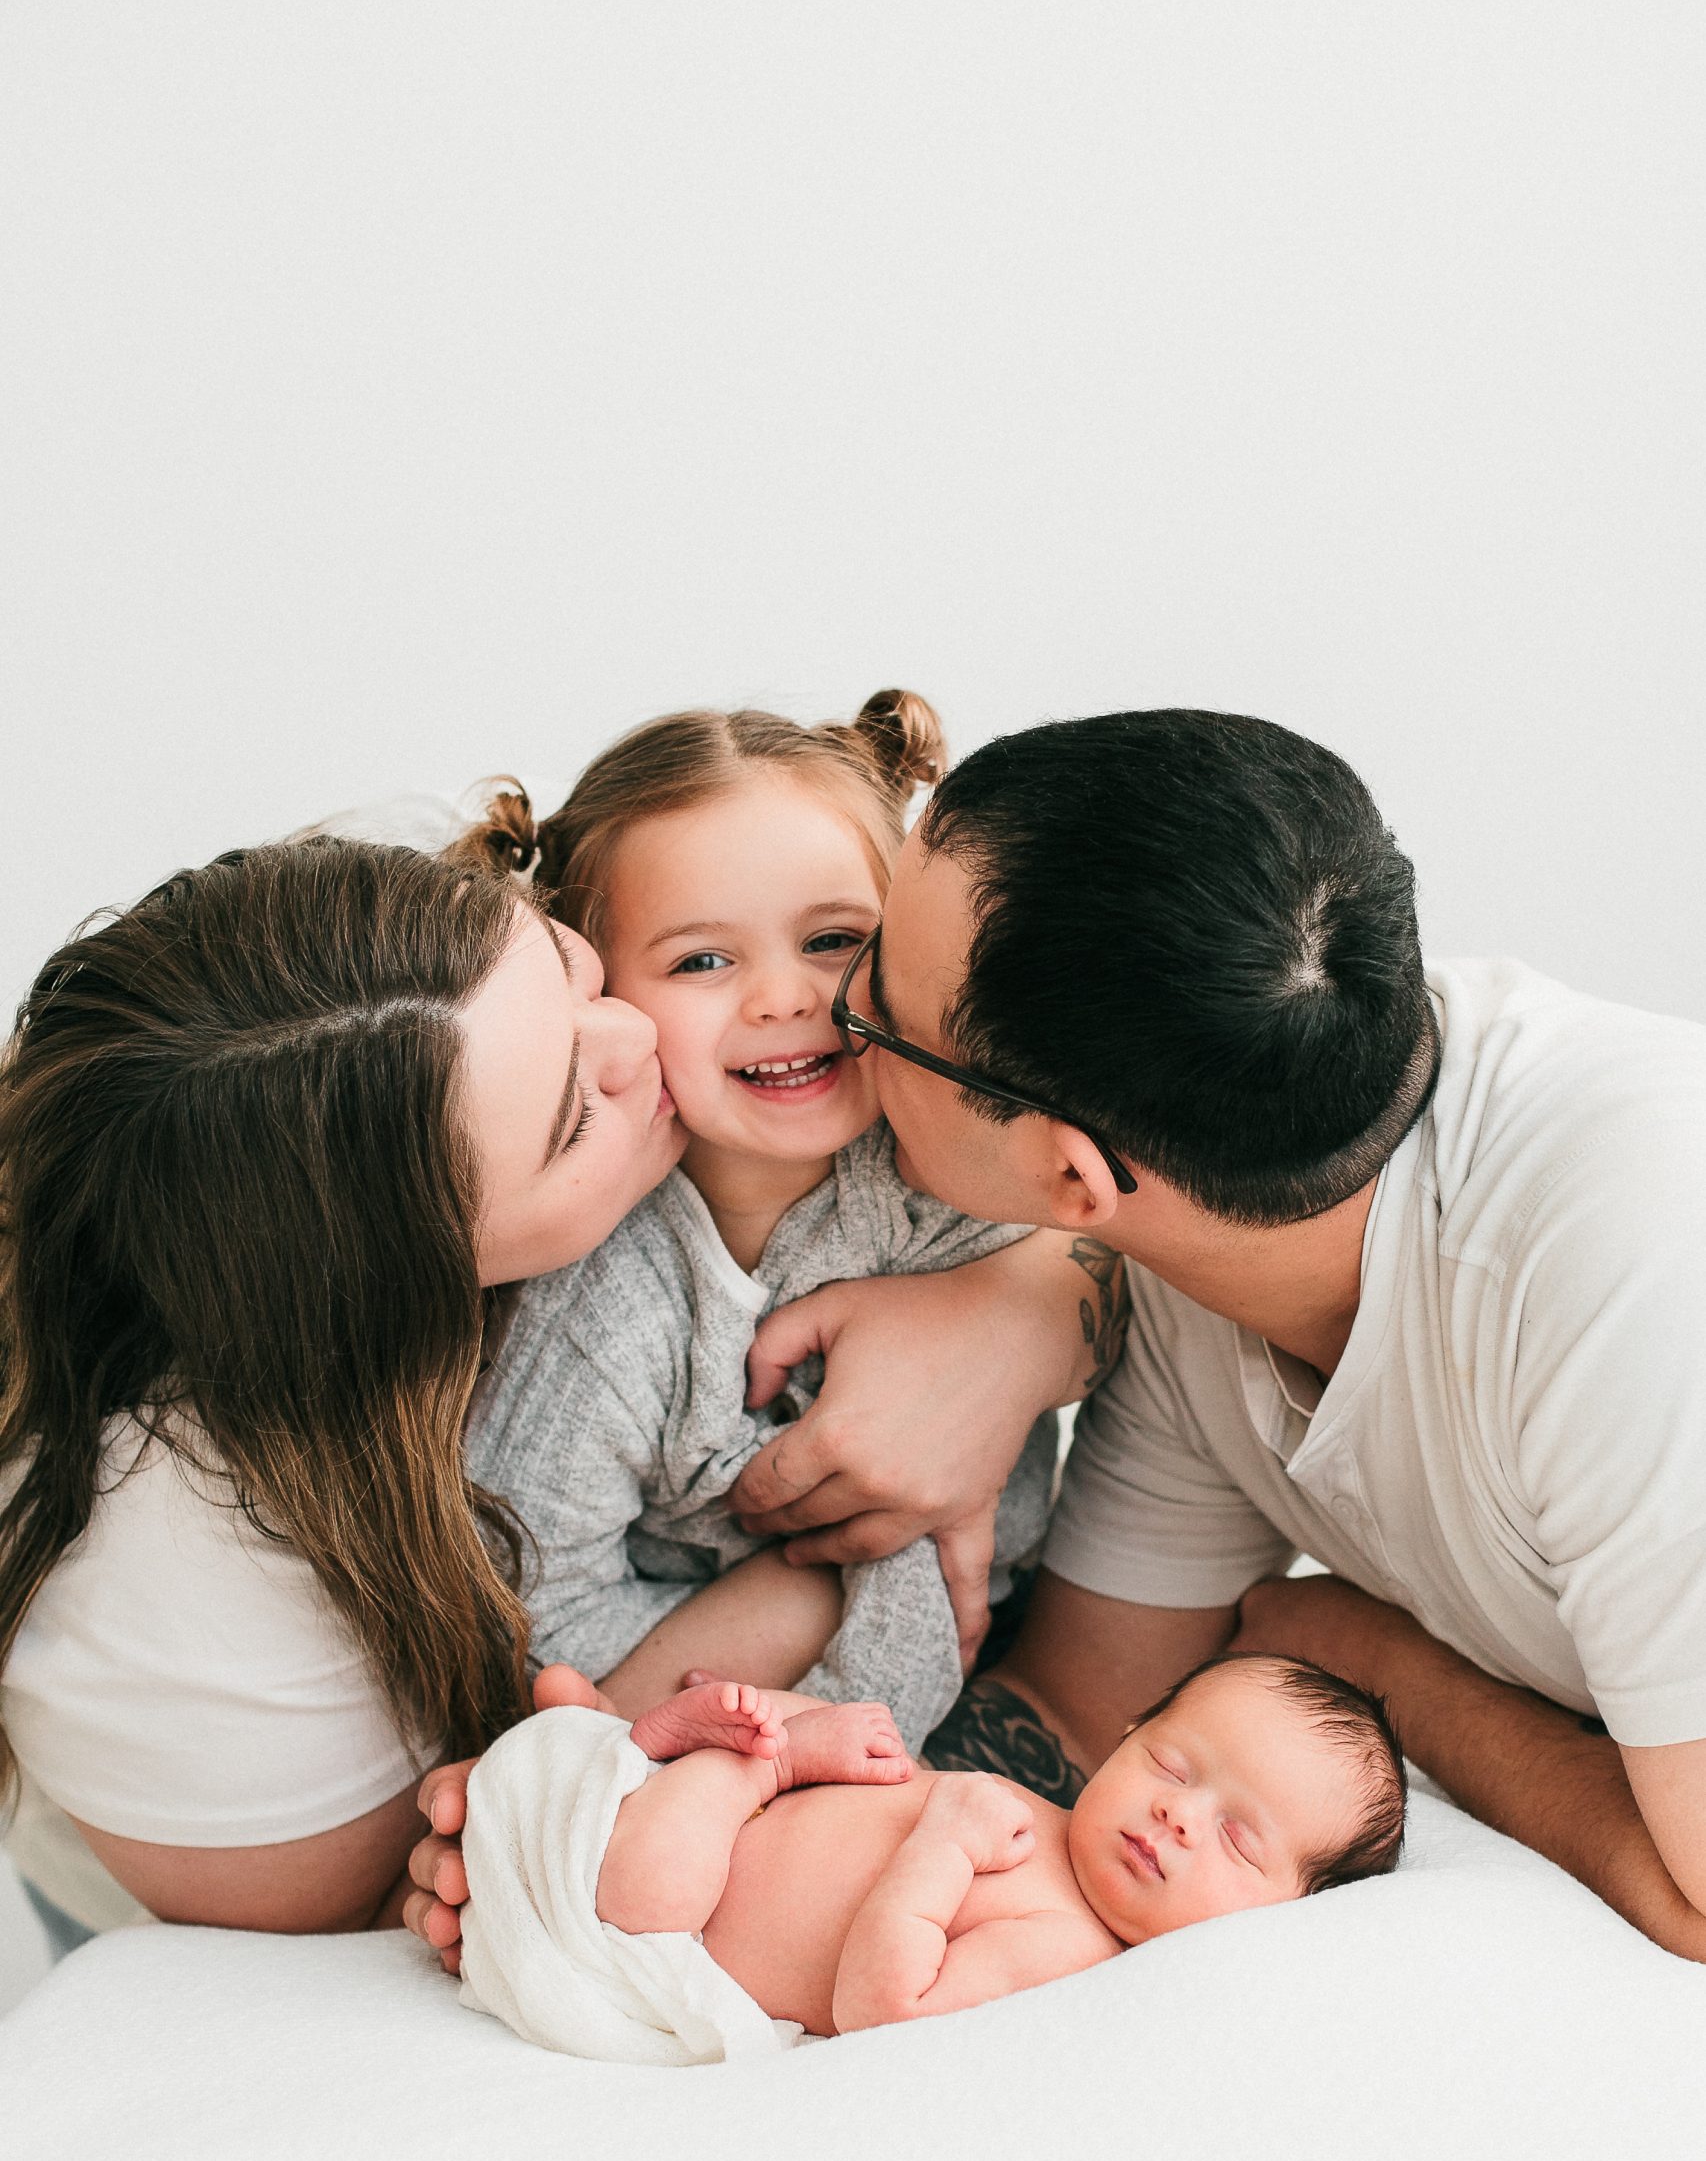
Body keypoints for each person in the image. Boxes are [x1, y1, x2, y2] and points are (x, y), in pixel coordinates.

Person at [0, 830, 1109, 1953]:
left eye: (572, 967)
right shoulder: (161, 1585)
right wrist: (860, 1554)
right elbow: (413, 1912)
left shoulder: (419, 978)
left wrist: (1019, 1318)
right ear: (408, 1294)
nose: (636, 1035)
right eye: (574, 1117)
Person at [717, 708, 1706, 1963]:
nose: (825, 1004)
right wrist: (649, 1824)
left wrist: (1367, 1654)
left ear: (1072, 1176)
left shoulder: (1632, 1272)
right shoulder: (1218, 1204)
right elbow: (1076, 1713)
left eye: (870, 995)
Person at [455, 690, 1057, 1751]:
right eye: (701, 959)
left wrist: (1033, 1322)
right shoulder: (603, 1307)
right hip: (729, 1725)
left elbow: (1154, 1308)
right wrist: (828, 1598)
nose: (784, 996)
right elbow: (540, 1632)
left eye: (833, 938)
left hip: (1025, 1655)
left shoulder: (970, 1172)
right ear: (599, 998)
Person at [451, 1649, 1406, 2058]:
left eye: (1238, 1838)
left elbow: (887, 2007)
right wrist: (880, 1766)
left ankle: (694, 1757)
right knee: (829, 1735)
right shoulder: (1056, 1823)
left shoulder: (1069, 1949)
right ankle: (633, 1744)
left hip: (674, 1922)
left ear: (1289, 1921)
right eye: (1169, 1761)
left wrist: (942, 1847)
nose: (1180, 1814)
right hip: (716, 1823)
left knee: (649, 1883)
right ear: (1125, 1733)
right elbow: (903, 1798)